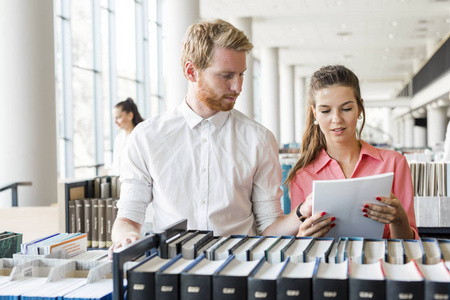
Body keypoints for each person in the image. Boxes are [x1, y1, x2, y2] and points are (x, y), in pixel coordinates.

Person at [110, 19, 302, 254]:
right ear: (191, 71)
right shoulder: (146, 137)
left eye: (241, 74)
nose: (238, 86)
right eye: (226, 75)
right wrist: (127, 238)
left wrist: (302, 215)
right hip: (173, 273)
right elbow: (128, 217)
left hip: (238, 273)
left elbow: (268, 226)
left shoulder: (259, 139)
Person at [286, 65, 418, 239]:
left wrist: (399, 219)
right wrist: (302, 236)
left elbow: (409, 249)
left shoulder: (394, 163)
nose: (337, 119)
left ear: (360, 108)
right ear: (315, 114)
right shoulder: (301, 174)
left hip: (381, 264)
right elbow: (300, 251)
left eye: (346, 109)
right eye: (325, 111)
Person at [110, 98, 144, 176]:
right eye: (114, 118)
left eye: (118, 117)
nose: (115, 122)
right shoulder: (119, 138)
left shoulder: (140, 137)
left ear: (130, 115)